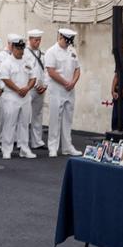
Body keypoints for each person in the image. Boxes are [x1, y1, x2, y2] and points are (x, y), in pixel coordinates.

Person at [45, 28, 83, 157]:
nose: (67, 44)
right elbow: (51, 71)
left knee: (68, 119)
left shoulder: (72, 51)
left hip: (70, 90)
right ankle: (53, 147)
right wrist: (65, 82)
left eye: (69, 41)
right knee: (55, 118)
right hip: (56, 89)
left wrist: (73, 82)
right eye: (66, 40)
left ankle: (67, 147)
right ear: (60, 37)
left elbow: (77, 69)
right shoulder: (51, 52)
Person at [0, 34, 37, 159]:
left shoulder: (28, 61)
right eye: (18, 48)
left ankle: (24, 148)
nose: (20, 51)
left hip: (25, 96)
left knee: (25, 123)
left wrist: (27, 88)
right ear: (12, 48)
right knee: (9, 124)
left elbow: (33, 77)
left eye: (22, 48)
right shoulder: (6, 62)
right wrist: (18, 89)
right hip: (11, 97)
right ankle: (7, 149)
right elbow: (5, 79)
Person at [25, 29, 47, 149]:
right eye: (35, 40)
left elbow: (47, 70)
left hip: (40, 88)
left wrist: (45, 85)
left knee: (38, 115)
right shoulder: (24, 53)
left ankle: (37, 141)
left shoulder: (43, 53)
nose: (38, 42)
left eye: (39, 40)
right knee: (24, 115)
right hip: (29, 88)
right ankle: (20, 141)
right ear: (30, 40)